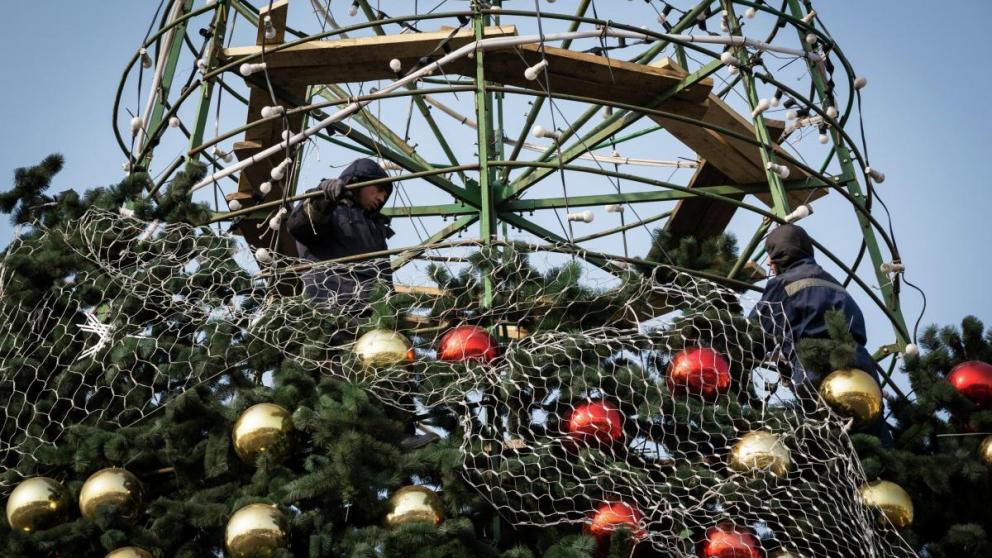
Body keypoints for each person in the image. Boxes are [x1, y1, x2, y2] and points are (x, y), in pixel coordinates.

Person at [287, 158, 395, 309]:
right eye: (379, 189)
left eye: (385, 195)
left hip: (371, 314)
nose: (382, 198)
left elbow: (385, 278)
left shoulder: (376, 228)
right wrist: (322, 200)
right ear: (358, 180)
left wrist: (392, 311)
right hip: (330, 306)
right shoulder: (332, 211)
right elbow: (300, 228)